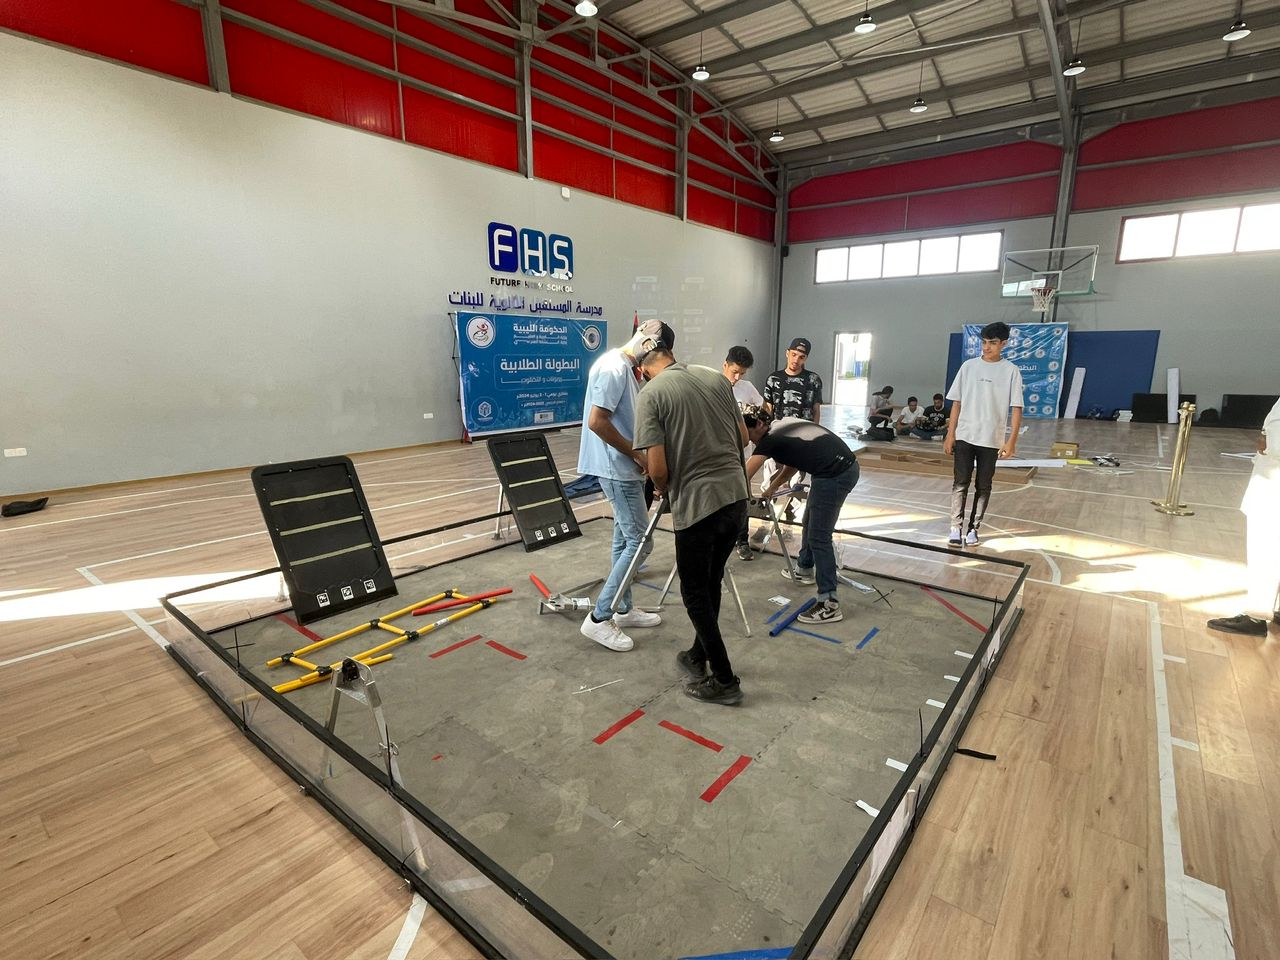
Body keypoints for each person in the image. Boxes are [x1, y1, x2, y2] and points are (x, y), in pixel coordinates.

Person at [633, 343, 750, 706]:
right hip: (735, 497)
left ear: (643, 371)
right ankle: (697, 655)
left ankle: (724, 679)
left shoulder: (651, 394)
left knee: (694, 593)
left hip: (699, 505)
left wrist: (661, 486)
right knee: (711, 581)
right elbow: (743, 438)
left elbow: (657, 470)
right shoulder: (715, 379)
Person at [575, 320, 674, 652]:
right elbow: (597, 421)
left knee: (624, 541)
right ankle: (599, 618)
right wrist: (638, 455)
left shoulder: (626, 370)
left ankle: (623, 607)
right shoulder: (614, 367)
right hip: (615, 468)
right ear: (649, 344)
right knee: (640, 542)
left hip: (624, 468)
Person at [743, 408, 859, 624]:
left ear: (758, 424)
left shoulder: (770, 439)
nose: (748, 439)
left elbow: (744, 475)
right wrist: (771, 488)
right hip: (832, 470)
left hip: (835, 473)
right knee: (809, 521)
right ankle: (805, 567)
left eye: (747, 433)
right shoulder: (782, 426)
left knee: (819, 537)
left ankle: (829, 603)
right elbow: (793, 463)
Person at [943, 322, 1024, 547]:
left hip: (991, 439)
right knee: (960, 483)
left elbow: (1017, 408)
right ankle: (955, 527)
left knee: (984, 486)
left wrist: (1011, 441)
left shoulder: (1011, 371)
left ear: (1003, 344)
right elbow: (956, 403)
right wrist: (950, 434)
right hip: (965, 435)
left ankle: (973, 529)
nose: (987, 347)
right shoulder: (968, 367)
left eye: (993, 343)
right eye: (984, 342)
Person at [1208, 396, 1280, 637]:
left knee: (1266, 550)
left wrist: (1266, 442)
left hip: (1274, 483)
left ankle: (1256, 615)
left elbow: (1275, 440)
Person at [723, 345, 763, 561]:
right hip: (720, 455)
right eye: (734, 372)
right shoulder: (713, 386)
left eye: (742, 373)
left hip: (743, 454)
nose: (737, 377)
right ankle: (722, 539)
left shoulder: (747, 388)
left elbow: (764, 409)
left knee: (742, 497)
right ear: (725, 365)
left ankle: (742, 540)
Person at [763, 338, 823, 424]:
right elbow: (768, 409)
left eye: (801, 357)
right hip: (780, 429)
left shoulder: (813, 380)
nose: (796, 360)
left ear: (805, 358)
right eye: (794, 354)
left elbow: (816, 410)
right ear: (787, 353)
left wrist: (815, 430)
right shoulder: (773, 379)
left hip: (805, 429)